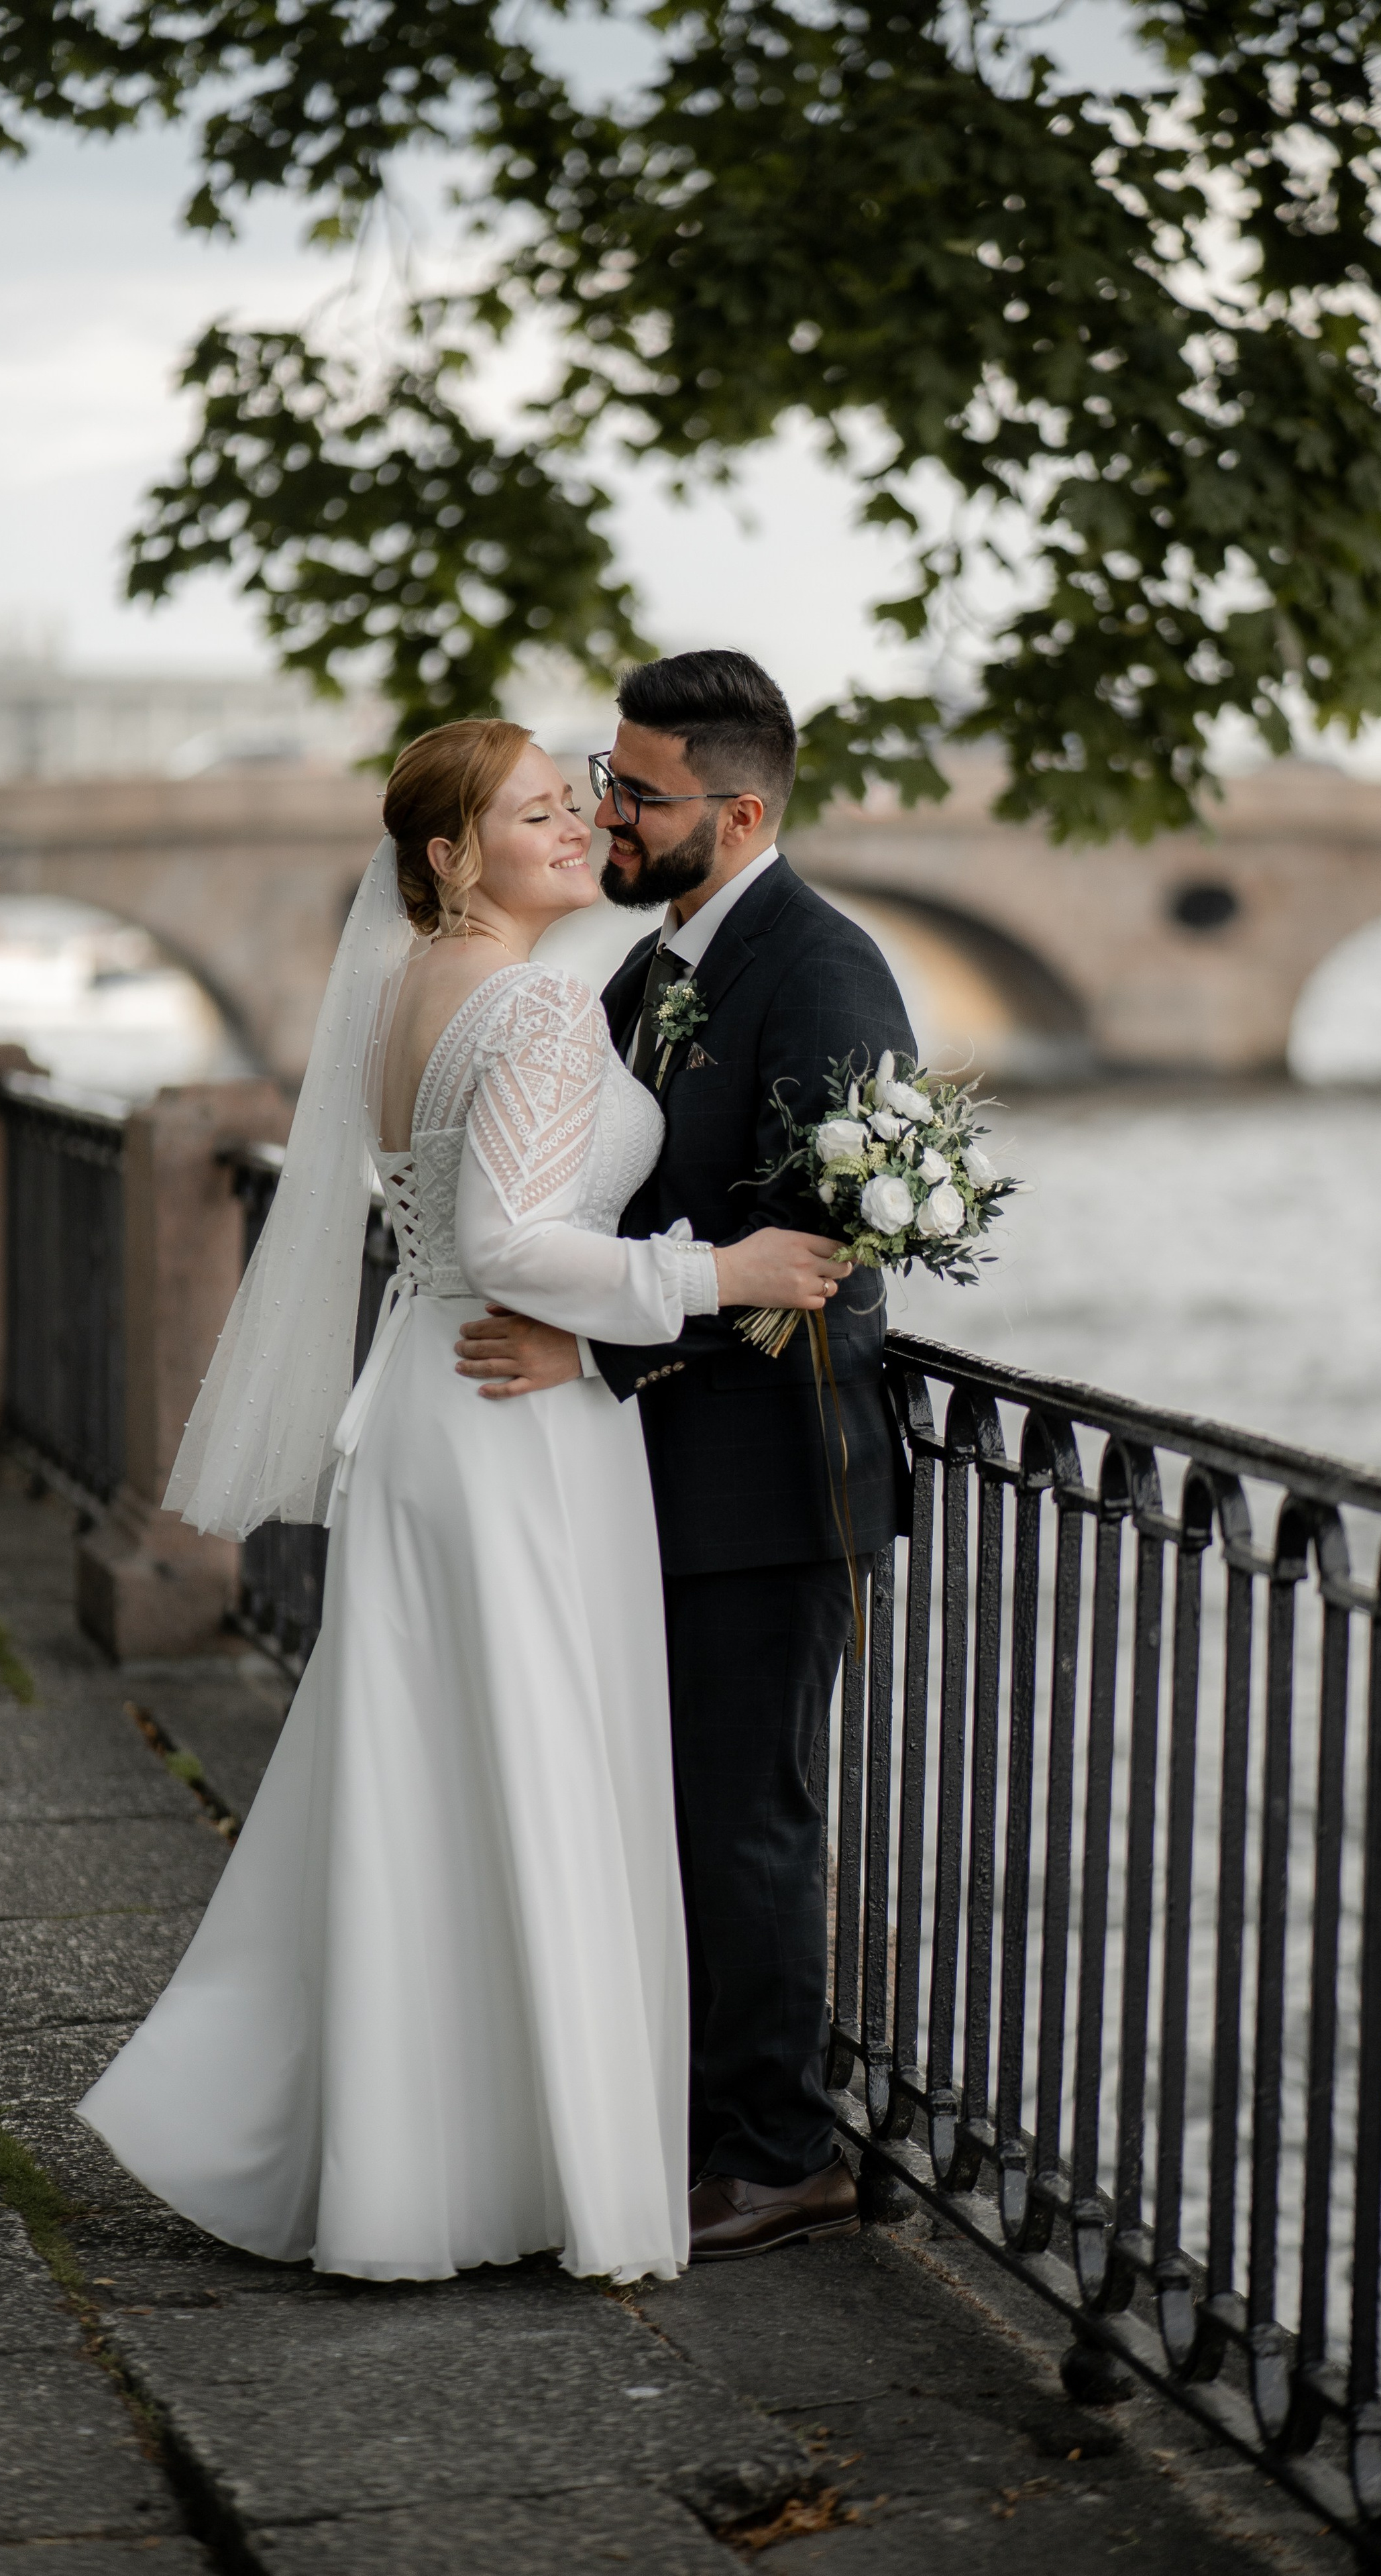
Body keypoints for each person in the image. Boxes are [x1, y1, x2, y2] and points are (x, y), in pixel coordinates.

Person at [76, 718, 847, 2284]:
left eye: (582, 805)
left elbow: (454, 1232)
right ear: (447, 856)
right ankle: (521, 2162)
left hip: (445, 1403)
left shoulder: (411, 995)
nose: (579, 829)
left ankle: (414, 2158)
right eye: (539, 812)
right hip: (519, 1418)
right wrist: (724, 1273)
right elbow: (509, 1244)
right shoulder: (539, 1011)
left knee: (436, 1774)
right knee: (532, 1769)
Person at [457, 653, 916, 2260]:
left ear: (736, 808)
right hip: (642, 1470)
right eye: (603, 772)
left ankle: (781, 2150)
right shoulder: (646, 964)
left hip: (767, 1480)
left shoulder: (823, 969)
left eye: (636, 790)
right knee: (664, 1814)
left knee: (745, 1819)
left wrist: (599, 1344)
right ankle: (680, 2116)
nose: (606, 809)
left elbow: (829, 1263)